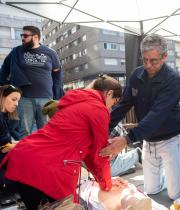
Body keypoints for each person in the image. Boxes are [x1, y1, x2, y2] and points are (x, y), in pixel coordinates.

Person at [100, 34, 180, 200]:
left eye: (153, 61)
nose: (148, 65)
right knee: (151, 190)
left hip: (171, 138)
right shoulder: (136, 75)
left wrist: (126, 139)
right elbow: (123, 105)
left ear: (164, 57)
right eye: (144, 60)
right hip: (149, 140)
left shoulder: (172, 79)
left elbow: (156, 116)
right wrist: (103, 128)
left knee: (176, 194)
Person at [0, 75, 123, 209]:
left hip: (24, 158)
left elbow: (89, 154)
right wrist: (107, 185)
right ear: (109, 93)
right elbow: (100, 153)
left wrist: (103, 181)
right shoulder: (99, 109)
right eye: (113, 102)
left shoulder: (74, 103)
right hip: (46, 169)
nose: (110, 108)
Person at [0, 25, 63, 137]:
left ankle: (44, 154)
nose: (22, 38)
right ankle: (25, 154)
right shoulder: (16, 51)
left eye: (25, 35)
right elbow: (5, 68)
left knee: (46, 132)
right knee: (24, 132)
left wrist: (57, 94)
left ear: (35, 37)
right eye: (21, 35)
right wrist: (3, 87)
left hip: (46, 99)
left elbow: (57, 72)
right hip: (23, 98)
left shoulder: (50, 52)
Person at [0, 85, 22, 188]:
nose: (16, 104)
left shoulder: (4, 117)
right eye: (13, 99)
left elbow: (6, 143)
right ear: (2, 97)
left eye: (17, 101)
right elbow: (4, 148)